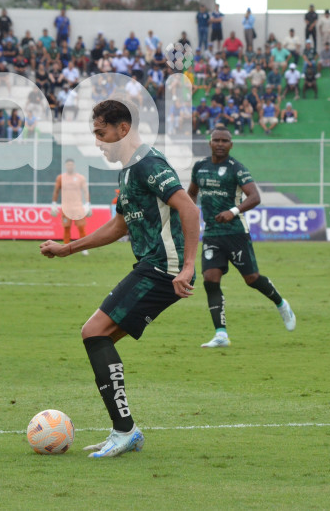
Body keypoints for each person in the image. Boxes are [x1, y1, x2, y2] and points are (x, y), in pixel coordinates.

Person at [39, 100, 199, 458]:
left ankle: (125, 430)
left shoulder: (149, 164)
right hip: (152, 266)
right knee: (100, 337)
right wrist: (68, 248)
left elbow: (188, 207)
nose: (98, 143)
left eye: (101, 134)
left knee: (92, 331)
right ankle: (124, 430)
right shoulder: (127, 171)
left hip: (163, 268)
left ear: (122, 129)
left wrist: (188, 266)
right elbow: (119, 225)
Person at [187, 128, 296, 348]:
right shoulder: (200, 167)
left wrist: (233, 211)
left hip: (236, 232)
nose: (220, 143)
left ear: (231, 145)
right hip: (211, 234)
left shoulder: (236, 169)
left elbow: (255, 197)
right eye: (216, 140)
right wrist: (189, 213)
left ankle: (281, 303)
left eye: (224, 141)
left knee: (251, 279)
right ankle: (221, 334)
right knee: (210, 279)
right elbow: (191, 193)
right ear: (210, 143)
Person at [51, 158, 91, 255]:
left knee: (81, 227)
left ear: (74, 166)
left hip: (78, 207)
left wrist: (88, 204)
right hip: (66, 207)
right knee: (66, 228)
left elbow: (85, 191)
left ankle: (84, 248)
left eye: (71, 165)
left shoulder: (80, 178)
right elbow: (56, 191)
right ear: (65, 166)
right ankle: (66, 248)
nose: (70, 166)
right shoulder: (61, 178)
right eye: (68, 165)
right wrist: (54, 204)